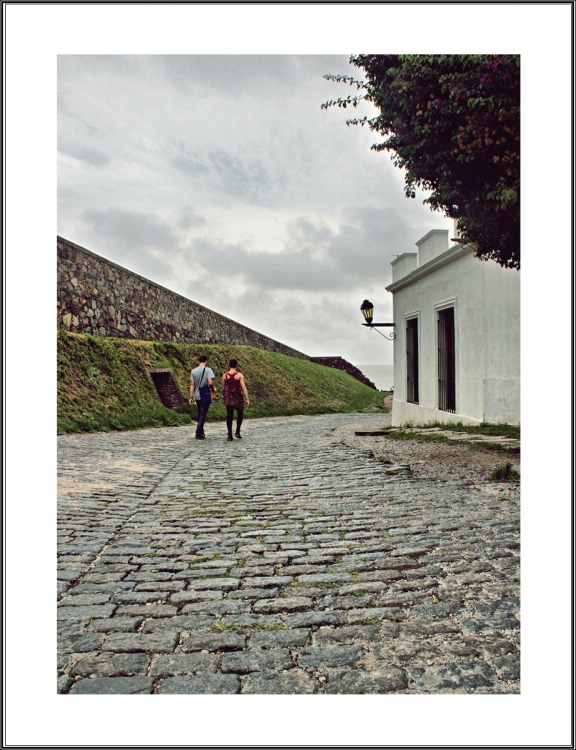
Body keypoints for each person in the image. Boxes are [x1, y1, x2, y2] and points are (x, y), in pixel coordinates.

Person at [189, 355, 216, 440]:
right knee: (203, 414)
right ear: (206, 361)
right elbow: (210, 382)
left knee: (200, 413)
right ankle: (198, 433)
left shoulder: (193, 371)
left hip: (197, 395)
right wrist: (213, 389)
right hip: (205, 394)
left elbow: (192, 384)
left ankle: (201, 432)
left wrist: (191, 397)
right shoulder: (208, 370)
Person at [222, 359, 249, 441]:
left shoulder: (225, 375)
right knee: (240, 414)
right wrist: (247, 398)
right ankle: (237, 431)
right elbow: (243, 387)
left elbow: (223, 388)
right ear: (236, 365)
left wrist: (224, 396)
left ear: (229, 365)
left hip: (229, 397)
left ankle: (229, 433)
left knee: (229, 416)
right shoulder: (240, 375)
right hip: (238, 397)